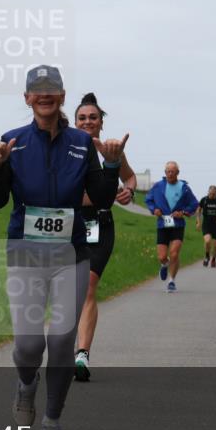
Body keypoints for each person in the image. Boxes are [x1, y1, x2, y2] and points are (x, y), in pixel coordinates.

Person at [0, 65, 126, 430]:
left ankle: (52, 419)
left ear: (62, 96)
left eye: (52, 90)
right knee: (29, 345)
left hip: (71, 254)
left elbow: (100, 197)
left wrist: (111, 164)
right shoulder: (11, 141)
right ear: (27, 98)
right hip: (25, 253)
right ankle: (27, 384)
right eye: (37, 90)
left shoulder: (81, 142)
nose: (45, 96)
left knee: (62, 340)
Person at [72, 93, 137, 382]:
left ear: (101, 122)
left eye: (93, 117)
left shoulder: (111, 150)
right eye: (82, 117)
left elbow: (130, 178)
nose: (87, 121)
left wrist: (129, 191)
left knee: (87, 287)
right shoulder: (66, 148)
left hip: (99, 225)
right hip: (67, 223)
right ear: (74, 122)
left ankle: (82, 354)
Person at [144, 162, 199, 292]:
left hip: (178, 225)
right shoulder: (158, 186)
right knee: (162, 257)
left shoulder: (184, 188)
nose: (170, 173)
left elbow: (194, 203)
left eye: (172, 171)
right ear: (165, 172)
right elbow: (148, 199)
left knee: (174, 254)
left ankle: (172, 281)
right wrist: (154, 209)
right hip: (163, 224)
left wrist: (183, 212)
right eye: (168, 171)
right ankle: (164, 264)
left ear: (177, 173)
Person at [196, 185, 216, 268]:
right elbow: (198, 211)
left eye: (214, 193)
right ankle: (207, 256)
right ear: (208, 192)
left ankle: (213, 259)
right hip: (206, 224)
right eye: (211, 193)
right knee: (207, 241)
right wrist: (198, 222)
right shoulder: (204, 200)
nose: (213, 195)